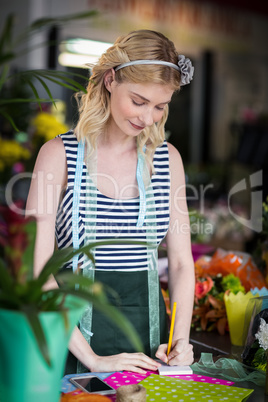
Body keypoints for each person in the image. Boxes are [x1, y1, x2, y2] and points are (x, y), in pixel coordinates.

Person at [26, 29, 195, 375]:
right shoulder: (59, 156)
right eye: (138, 101)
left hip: (148, 345)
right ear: (110, 80)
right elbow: (35, 268)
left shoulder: (167, 160)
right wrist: (93, 359)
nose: (148, 118)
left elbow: (179, 262)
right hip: (66, 344)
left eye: (160, 106)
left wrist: (179, 343)